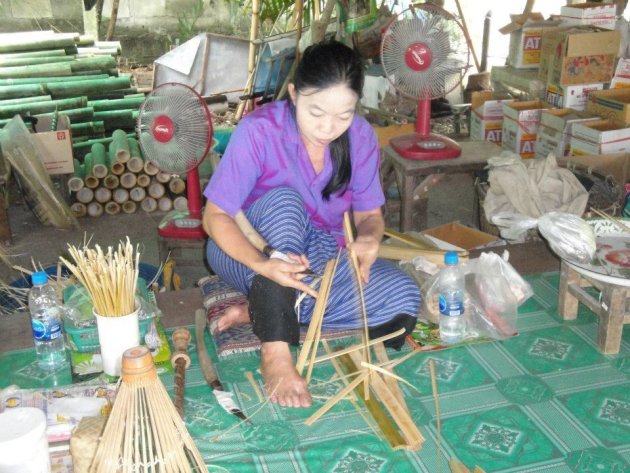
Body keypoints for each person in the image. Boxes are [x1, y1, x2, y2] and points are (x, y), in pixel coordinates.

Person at [202, 39, 421, 409]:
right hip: (246, 249)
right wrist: (262, 264)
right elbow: (215, 218)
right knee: (287, 204)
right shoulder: (259, 131)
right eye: (316, 112)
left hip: (318, 257)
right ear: (293, 94)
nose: (328, 127)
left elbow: (370, 217)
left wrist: (369, 239)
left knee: (403, 300)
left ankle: (268, 310)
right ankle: (275, 348)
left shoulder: (360, 137)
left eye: (343, 115)